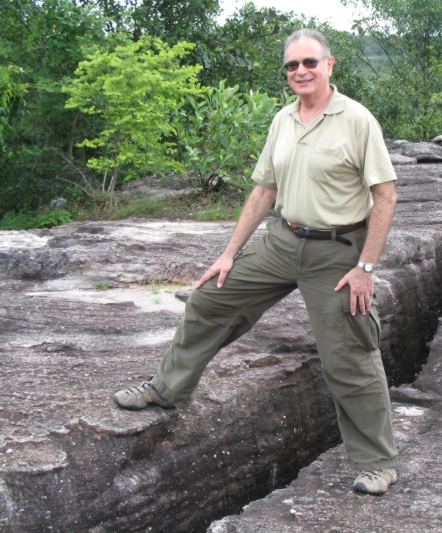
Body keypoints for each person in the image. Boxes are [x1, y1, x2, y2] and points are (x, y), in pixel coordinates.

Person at [113, 28, 400, 496]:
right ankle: (168, 389)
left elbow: (385, 196)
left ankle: (376, 463)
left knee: (347, 355)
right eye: (292, 66)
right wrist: (228, 254)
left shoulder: (357, 120)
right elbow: (264, 190)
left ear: (330, 65)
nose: (300, 72)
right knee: (210, 298)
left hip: (335, 254)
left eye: (309, 62)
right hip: (281, 242)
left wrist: (365, 267)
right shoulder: (283, 120)